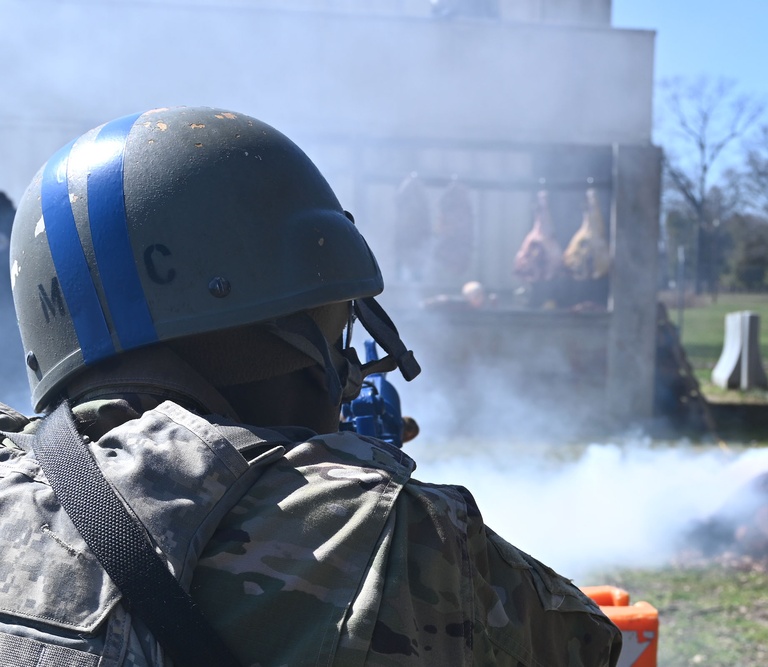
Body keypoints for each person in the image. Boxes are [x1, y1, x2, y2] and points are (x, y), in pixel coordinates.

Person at [1, 107, 621, 666]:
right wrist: (357, 481)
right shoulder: (394, 538)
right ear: (283, 332)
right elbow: (582, 646)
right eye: (336, 323)